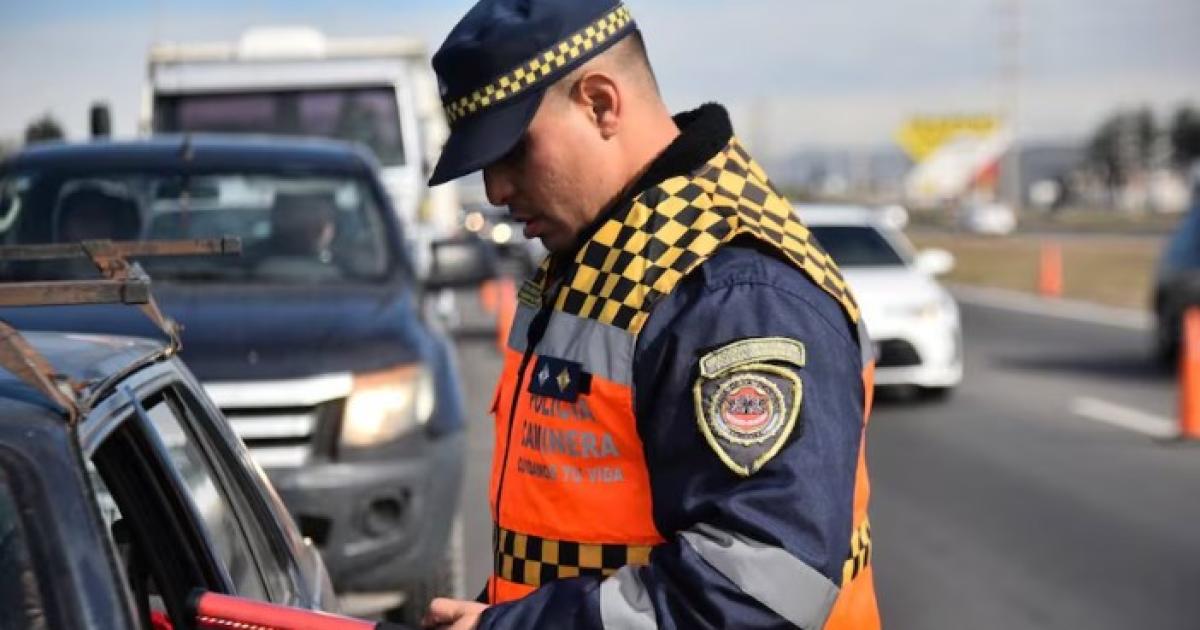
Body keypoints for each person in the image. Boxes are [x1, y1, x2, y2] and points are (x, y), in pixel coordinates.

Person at [423, 1, 880, 628]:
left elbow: (758, 591)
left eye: (513, 151)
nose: (495, 191)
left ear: (601, 103)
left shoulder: (731, 295)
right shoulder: (603, 257)